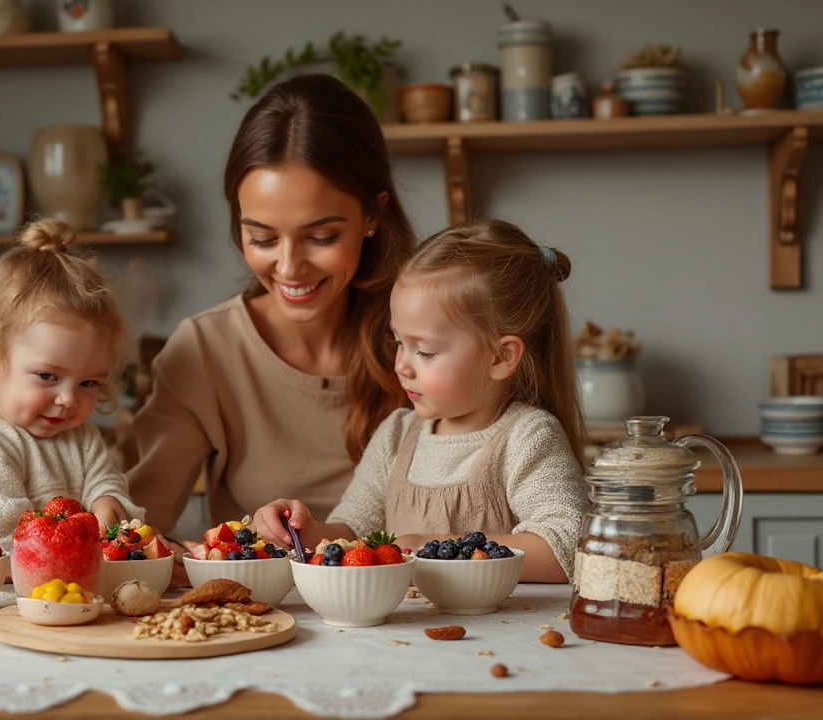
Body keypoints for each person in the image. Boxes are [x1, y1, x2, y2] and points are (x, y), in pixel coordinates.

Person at [127, 74, 417, 569]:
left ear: (373, 214)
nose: (288, 268)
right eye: (261, 238)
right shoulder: (203, 349)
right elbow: (138, 532)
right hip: (264, 622)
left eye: (321, 236)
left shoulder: (427, 340)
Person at [253, 220, 589, 583]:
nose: (401, 365)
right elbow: (352, 534)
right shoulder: (397, 434)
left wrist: (430, 548)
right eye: (399, 341)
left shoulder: (527, 437)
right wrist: (300, 530)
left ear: (500, 358)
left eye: (425, 351)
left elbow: (567, 548)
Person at [0, 218, 144, 548]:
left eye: (88, 382)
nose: (68, 399)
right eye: (48, 376)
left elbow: (108, 485)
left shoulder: (83, 438)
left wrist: (107, 505)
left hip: (63, 592)